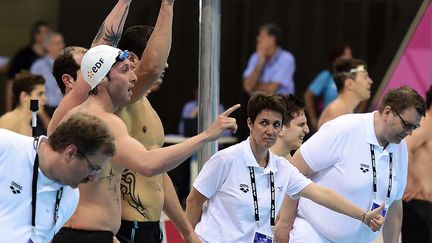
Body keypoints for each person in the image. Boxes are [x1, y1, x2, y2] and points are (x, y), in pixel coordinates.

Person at [52, 39, 238, 243]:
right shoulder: (102, 122)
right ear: (102, 78)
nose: (133, 77)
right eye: (124, 70)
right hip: (85, 236)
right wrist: (207, 136)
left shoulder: (79, 115)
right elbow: (149, 164)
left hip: (90, 234)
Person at [185, 93, 384, 243]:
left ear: (281, 129)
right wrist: (189, 238)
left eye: (276, 124)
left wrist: (363, 216)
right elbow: (194, 201)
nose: (270, 130)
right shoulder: (226, 159)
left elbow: (321, 194)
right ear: (250, 124)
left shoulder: (283, 168)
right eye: (264, 123)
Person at [274, 86, 426, 243]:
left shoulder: (400, 149)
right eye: (406, 125)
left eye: (414, 127)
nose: (410, 133)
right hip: (313, 235)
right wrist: (284, 224)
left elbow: (394, 205)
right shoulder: (343, 130)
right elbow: (295, 172)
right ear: (387, 112)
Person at [115, 24, 200, 242]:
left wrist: (187, 232)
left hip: (152, 226)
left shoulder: (147, 107)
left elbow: (159, 175)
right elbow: (151, 69)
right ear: (132, 59)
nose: (166, 64)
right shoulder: (120, 102)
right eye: (161, 55)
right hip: (127, 226)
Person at [0, 112, 115, 242]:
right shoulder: (5, 145)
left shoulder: (70, 196)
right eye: (93, 168)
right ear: (70, 153)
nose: (93, 178)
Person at [402, 86, 432, 242]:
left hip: (424, 206)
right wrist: (413, 180)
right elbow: (405, 146)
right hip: (418, 205)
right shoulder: (428, 123)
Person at [304, 45, 352, 131]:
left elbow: (363, 99)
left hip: (349, 122)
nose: (349, 58)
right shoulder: (327, 76)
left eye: (350, 55)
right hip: (329, 122)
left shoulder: (353, 77)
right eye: (346, 55)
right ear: (337, 58)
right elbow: (308, 95)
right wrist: (313, 118)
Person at [5, 21, 51, 112]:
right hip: (25, 106)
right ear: (37, 36)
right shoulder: (22, 56)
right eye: (46, 33)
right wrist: (8, 111)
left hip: (46, 107)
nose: (50, 36)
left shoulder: (50, 57)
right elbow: (11, 85)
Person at [317, 58, 373, 129]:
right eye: (365, 77)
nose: (370, 81)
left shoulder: (343, 112)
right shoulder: (337, 112)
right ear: (350, 84)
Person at [243, 23, 296, 95]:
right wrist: (260, 62)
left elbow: (272, 89)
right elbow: (247, 87)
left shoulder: (286, 58)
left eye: (261, 36)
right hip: (258, 104)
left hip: (281, 104)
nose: (258, 39)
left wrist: (255, 86)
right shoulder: (255, 57)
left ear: (272, 40)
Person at [0, 71, 47, 136]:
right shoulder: (8, 121)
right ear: (24, 96)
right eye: (40, 94)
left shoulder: (30, 127)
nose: (45, 98)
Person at [31, 32, 65, 117]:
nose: (61, 46)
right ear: (48, 46)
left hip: (63, 109)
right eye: (57, 43)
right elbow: (33, 93)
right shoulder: (38, 66)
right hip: (44, 111)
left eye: (62, 43)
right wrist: (43, 117)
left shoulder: (67, 64)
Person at [271, 94, 309, 160]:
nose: (307, 130)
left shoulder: (290, 165)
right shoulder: (255, 162)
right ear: (280, 128)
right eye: (301, 124)